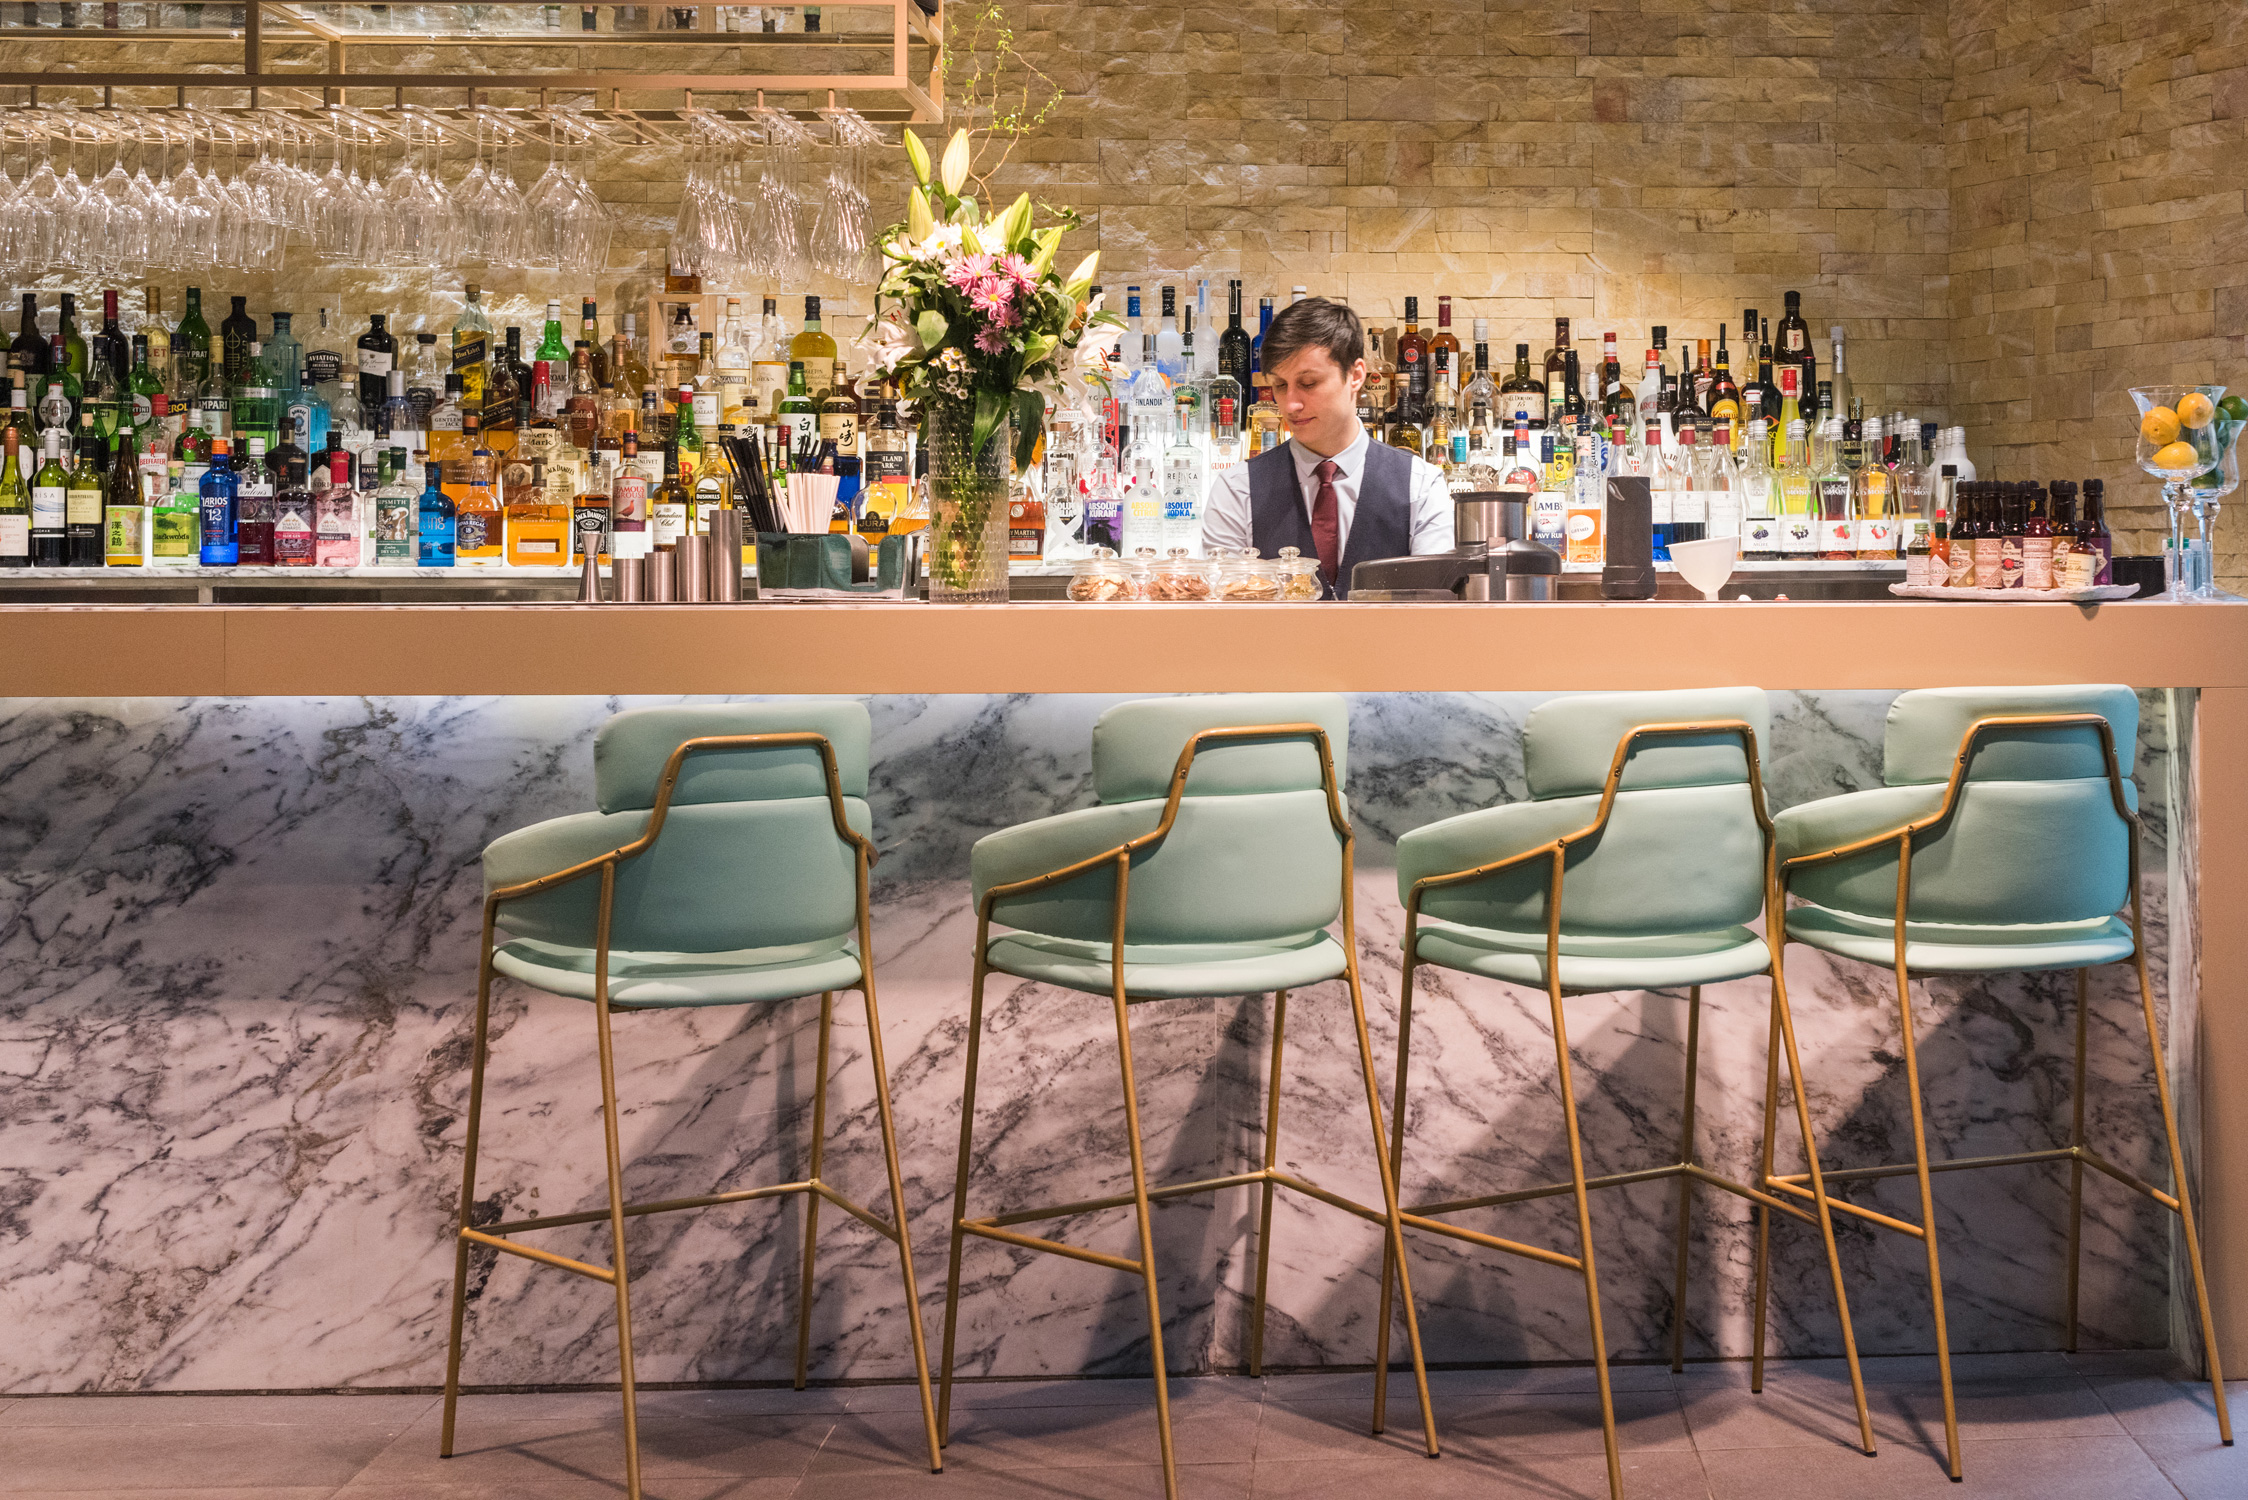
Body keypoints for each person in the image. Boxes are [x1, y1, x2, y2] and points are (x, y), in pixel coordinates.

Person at [1200, 296, 1452, 599]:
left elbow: (1433, 609)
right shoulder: (1237, 489)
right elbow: (1224, 612)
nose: (1290, 405)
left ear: (1355, 376)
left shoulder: (1421, 486)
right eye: (1280, 385)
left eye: (1308, 383)